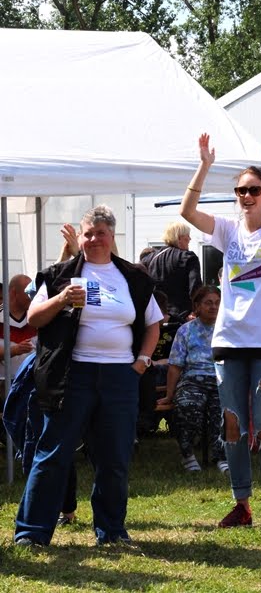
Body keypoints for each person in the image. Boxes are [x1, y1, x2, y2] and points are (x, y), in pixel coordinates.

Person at [14, 205, 162, 547]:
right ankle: (31, 533)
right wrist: (62, 297)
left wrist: (141, 362)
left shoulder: (133, 277)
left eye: (101, 233)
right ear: (79, 238)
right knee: (53, 452)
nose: (94, 239)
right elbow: (35, 318)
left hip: (119, 376)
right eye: (88, 233)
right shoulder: (60, 274)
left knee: (114, 457)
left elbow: (153, 323)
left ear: (112, 237)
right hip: (72, 374)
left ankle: (111, 531)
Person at [181, 129, 261, 528]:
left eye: (253, 190)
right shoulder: (227, 230)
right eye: (240, 191)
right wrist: (204, 165)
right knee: (233, 425)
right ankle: (242, 504)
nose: (245, 196)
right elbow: (187, 211)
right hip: (229, 341)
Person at [160, 285, 227, 473]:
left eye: (217, 303)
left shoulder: (227, 330)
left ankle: (221, 456)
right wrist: (169, 394)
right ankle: (187, 453)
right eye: (208, 303)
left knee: (223, 409)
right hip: (192, 380)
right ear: (197, 306)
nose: (213, 307)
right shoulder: (185, 331)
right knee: (188, 406)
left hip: (221, 380)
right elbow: (175, 366)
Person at [143, 221, 202, 323]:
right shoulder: (188, 257)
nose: (190, 239)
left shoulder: (149, 259)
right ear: (179, 238)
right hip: (182, 317)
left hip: (155, 317)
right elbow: (195, 287)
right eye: (187, 236)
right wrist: (196, 311)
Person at [0, 274, 36, 370]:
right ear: (14, 293)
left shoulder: (37, 317)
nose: (32, 297)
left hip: (30, 381)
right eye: (29, 292)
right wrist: (14, 350)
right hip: (3, 382)